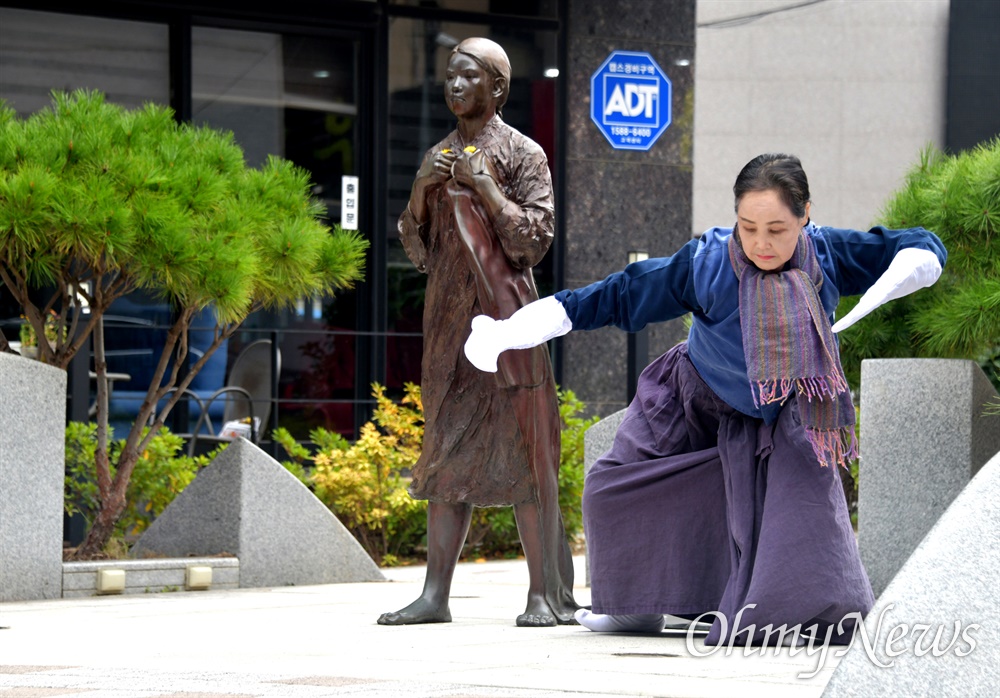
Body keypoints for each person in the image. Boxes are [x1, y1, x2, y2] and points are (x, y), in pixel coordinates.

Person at [464, 153, 946, 645]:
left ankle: (804, 616)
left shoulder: (830, 254)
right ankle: (633, 606)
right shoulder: (706, 262)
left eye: (777, 229)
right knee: (611, 488)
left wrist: (911, 267)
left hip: (793, 412)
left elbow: (918, 244)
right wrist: (512, 331)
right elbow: (620, 295)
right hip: (696, 397)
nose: (761, 243)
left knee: (804, 520)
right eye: (748, 226)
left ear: (804, 216)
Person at [377, 37, 579, 628]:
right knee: (445, 451)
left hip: (507, 322)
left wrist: (488, 188)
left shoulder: (523, 153)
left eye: (468, 77)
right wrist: (420, 187)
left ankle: (543, 594)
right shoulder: (437, 154)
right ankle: (434, 595)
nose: (455, 86)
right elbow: (416, 251)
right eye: (450, 76)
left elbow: (532, 242)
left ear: (497, 88)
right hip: (446, 327)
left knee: (524, 448)